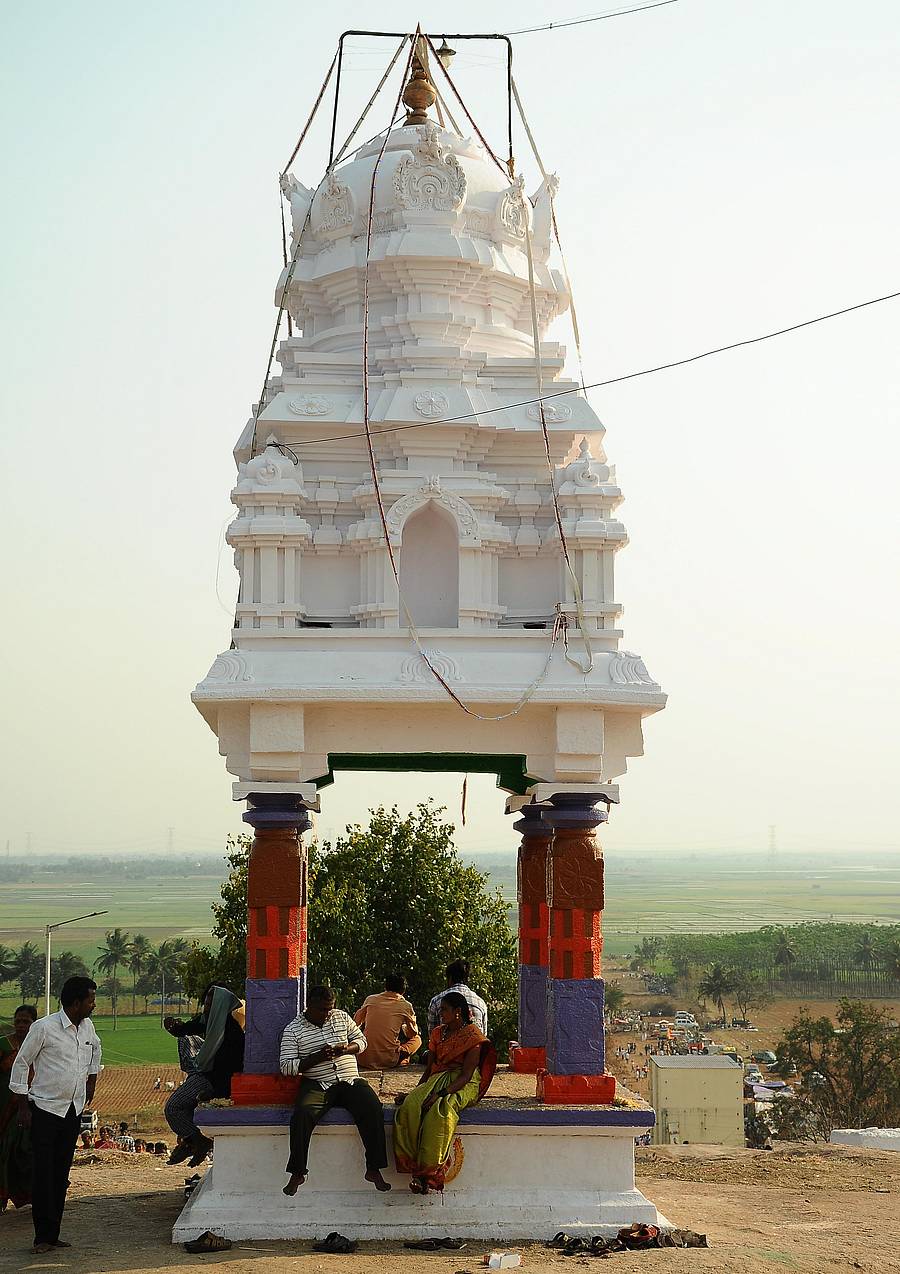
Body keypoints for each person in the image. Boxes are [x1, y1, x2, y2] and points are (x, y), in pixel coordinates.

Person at [9, 976, 101, 1254]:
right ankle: (41, 1237)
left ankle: (54, 1233)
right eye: (91, 1001)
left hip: (73, 1109)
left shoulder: (87, 1027)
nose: (94, 1005)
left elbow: (96, 1049)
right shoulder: (44, 1028)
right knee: (43, 1174)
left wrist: (91, 1081)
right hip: (45, 1110)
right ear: (76, 1003)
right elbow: (21, 1063)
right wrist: (23, 1105)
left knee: (61, 1174)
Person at [279, 985, 390, 1197]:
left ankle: (373, 1168)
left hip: (349, 1079)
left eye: (330, 1008)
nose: (327, 1013)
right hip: (318, 1082)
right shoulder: (293, 1030)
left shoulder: (341, 1017)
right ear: (309, 1005)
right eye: (322, 1009)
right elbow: (286, 1066)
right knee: (302, 1114)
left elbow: (362, 1041)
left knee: (372, 1108)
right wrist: (317, 1057)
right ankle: (297, 1172)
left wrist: (345, 1049)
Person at [394, 991, 495, 1194]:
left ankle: (427, 1174)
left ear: (458, 1012)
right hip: (438, 1077)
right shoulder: (438, 1033)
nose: (441, 1014)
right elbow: (429, 1070)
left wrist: (439, 1095)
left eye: (444, 1010)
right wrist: (417, 1092)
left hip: (463, 1083)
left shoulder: (473, 1037)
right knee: (410, 1107)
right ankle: (413, 1164)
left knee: (440, 1112)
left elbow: (466, 1076)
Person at [163, 985, 244, 1168]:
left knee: (173, 1108)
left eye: (209, 1003)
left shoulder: (233, 1034)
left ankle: (198, 1142)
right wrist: (173, 1027)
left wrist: (214, 1093)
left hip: (212, 1080)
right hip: (206, 1074)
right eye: (206, 1001)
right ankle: (191, 1142)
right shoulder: (209, 1021)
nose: (205, 1006)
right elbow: (187, 1028)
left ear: (219, 1006)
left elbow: (232, 1069)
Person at [0, 1005, 38, 1213]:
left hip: (30, 1105)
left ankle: (29, 1193)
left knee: (23, 1149)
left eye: (26, 1022)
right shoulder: (3, 1044)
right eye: (18, 1021)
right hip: (4, 1106)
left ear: (34, 1024)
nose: (21, 1025)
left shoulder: (39, 1045)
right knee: (4, 1149)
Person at [354, 975, 422, 1069]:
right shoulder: (405, 1005)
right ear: (403, 991)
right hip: (388, 1060)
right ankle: (402, 1060)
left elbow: (356, 1023)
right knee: (417, 1039)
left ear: (385, 987)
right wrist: (405, 1026)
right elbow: (412, 1034)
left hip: (363, 1058)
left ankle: (402, 1059)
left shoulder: (370, 999)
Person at [425, 960, 488, 1036]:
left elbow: (432, 1036)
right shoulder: (481, 1003)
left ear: (450, 978)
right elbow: (483, 1035)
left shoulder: (436, 1001)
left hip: (446, 1043)